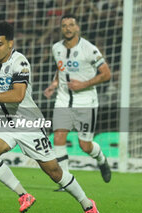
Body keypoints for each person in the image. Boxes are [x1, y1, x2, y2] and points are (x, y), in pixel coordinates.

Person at [0, 21, 102, 213]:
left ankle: (87, 205)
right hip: (3, 122)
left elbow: (18, 95)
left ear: (10, 43)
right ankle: (23, 195)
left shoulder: (20, 63)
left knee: (54, 172)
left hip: (29, 123)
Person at [44, 15, 112, 191]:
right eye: (64, 25)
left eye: (71, 25)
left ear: (77, 28)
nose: (67, 28)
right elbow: (61, 70)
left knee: (85, 145)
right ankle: (65, 181)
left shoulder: (89, 49)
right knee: (58, 137)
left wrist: (84, 84)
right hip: (63, 99)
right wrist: (54, 84)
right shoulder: (56, 48)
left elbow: (106, 74)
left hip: (85, 101)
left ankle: (102, 160)